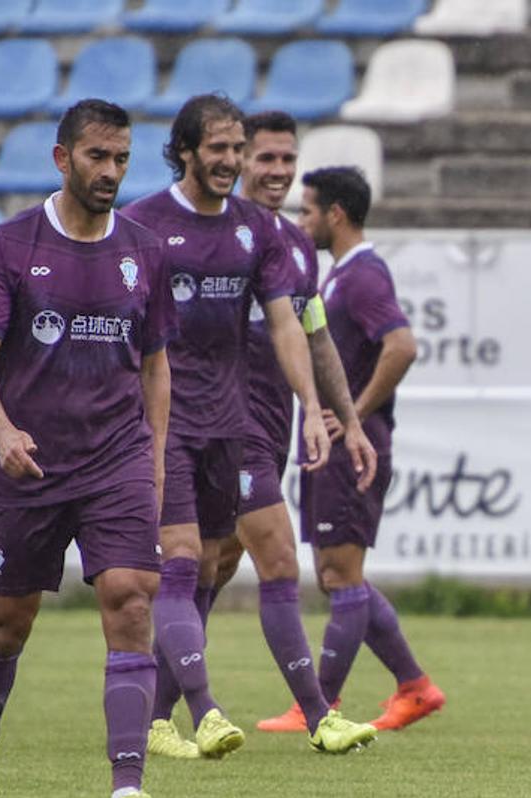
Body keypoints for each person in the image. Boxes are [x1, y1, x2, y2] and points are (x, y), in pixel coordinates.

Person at [0, 99, 176, 798]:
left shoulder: (144, 250)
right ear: (62, 158)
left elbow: (155, 370)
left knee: (132, 599)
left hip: (115, 458)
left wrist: (156, 459)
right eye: (96, 157)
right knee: (8, 624)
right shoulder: (9, 245)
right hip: (30, 466)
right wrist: (2, 428)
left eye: (121, 159)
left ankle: (127, 792)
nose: (110, 171)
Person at [122, 94, 366, 758]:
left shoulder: (257, 231)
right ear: (186, 152)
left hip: (232, 425)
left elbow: (290, 324)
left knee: (208, 567)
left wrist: (314, 407)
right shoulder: (141, 226)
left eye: (239, 148)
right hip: (166, 425)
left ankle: (160, 716)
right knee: (182, 565)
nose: (231, 161)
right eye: (221, 149)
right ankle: (211, 711)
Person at [203, 110, 379, 745]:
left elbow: (317, 337)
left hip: (273, 430)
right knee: (277, 559)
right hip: (222, 429)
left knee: (213, 567)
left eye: (287, 160)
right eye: (265, 158)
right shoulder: (209, 237)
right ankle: (318, 714)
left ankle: (165, 710)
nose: (277, 171)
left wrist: (348, 421)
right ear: (236, 160)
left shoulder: (298, 246)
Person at [258, 165, 445, 734]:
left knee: (341, 575)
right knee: (340, 574)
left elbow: (402, 346)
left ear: (335, 214)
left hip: (353, 448)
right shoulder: (339, 276)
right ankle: (414, 687)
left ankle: (320, 704)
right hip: (336, 448)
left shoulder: (362, 276)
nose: (300, 220)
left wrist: (353, 416)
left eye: (307, 210)